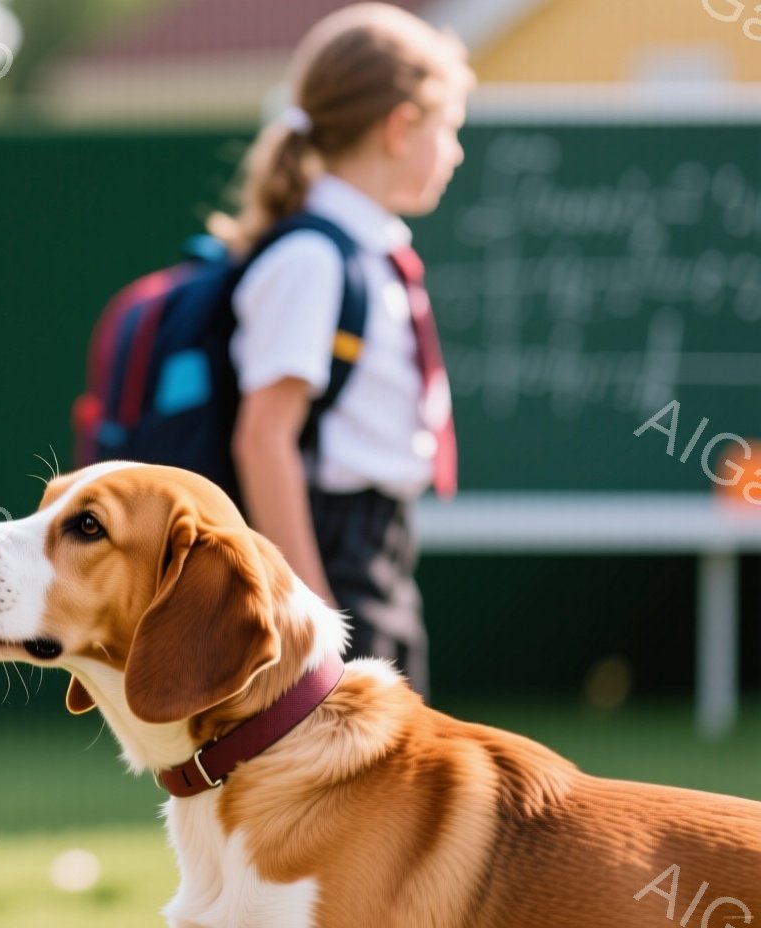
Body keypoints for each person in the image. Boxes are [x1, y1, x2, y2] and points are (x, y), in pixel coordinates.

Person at [214, 3, 473, 700]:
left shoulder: (367, 252)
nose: (455, 152)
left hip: (377, 544)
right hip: (331, 547)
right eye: (448, 130)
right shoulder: (313, 258)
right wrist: (313, 614)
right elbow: (264, 437)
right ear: (400, 127)